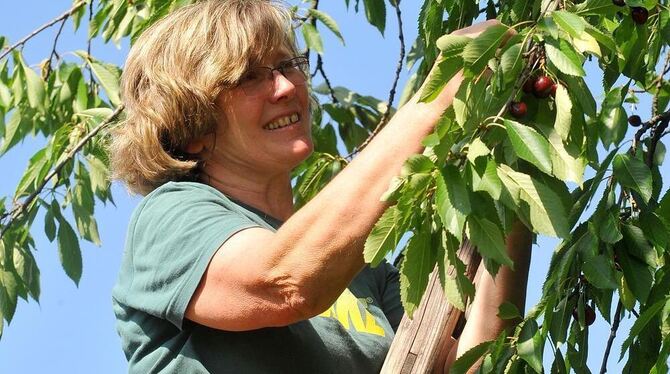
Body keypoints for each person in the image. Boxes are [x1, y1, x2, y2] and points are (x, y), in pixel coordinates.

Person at [109, 1, 532, 373]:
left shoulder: (362, 270)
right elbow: (285, 282)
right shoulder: (169, 217)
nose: (288, 87)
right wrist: (438, 99)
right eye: (250, 77)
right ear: (191, 128)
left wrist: (514, 175)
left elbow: (469, 363)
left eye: (288, 64)